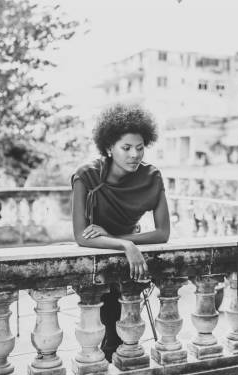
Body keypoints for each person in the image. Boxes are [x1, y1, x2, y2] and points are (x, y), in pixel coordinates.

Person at [71, 104, 170, 361]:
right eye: (126, 148)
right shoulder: (86, 176)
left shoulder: (151, 176)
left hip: (125, 258)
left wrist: (120, 240)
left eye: (140, 147)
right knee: (104, 330)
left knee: (123, 332)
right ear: (108, 148)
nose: (134, 154)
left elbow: (162, 233)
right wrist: (126, 247)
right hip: (98, 256)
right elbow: (82, 236)